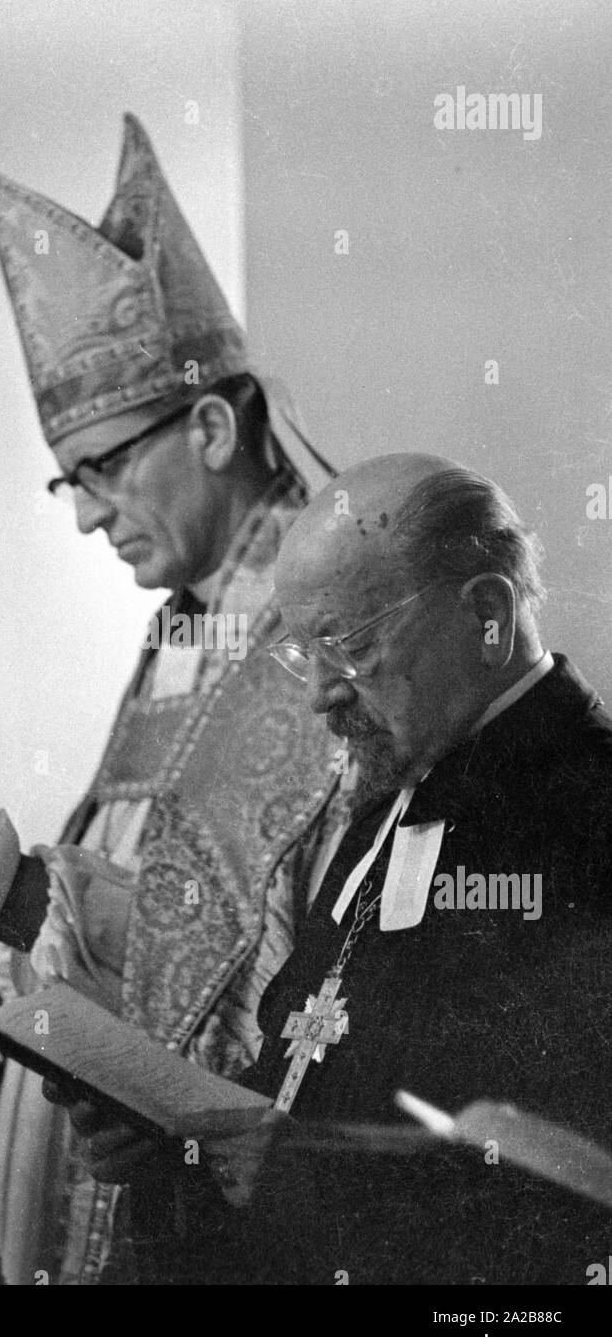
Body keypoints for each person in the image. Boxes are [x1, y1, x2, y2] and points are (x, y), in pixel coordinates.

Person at [0, 114, 353, 1285]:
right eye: (67, 479)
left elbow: (269, 968)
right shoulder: (186, 622)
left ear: (210, 424)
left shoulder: (320, 629)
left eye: (102, 470)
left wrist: (15, 889)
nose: (85, 513)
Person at [67, 452, 612, 1285]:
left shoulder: (588, 817)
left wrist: (312, 1177)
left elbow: (564, 1177)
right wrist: (171, 1144)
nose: (320, 694)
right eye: (301, 653)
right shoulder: (394, 790)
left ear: (488, 613)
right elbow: (301, 1066)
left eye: (348, 644)